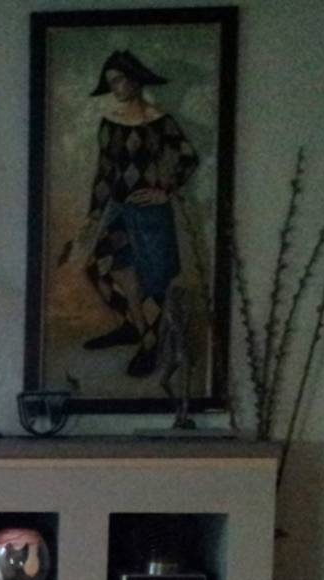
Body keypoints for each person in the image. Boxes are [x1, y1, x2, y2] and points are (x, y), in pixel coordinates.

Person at [62, 50, 200, 377]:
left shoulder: (161, 120)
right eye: (111, 82)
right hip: (119, 210)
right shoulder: (110, 123)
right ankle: (134, 326)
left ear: (136, 79)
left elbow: (188, 158)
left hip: (151, 213)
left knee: (155, 279)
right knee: (99, 264)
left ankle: (150, 344)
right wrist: (94, 216)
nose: (117, 87)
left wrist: (164, 190)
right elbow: (104, 173)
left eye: (121, 79)